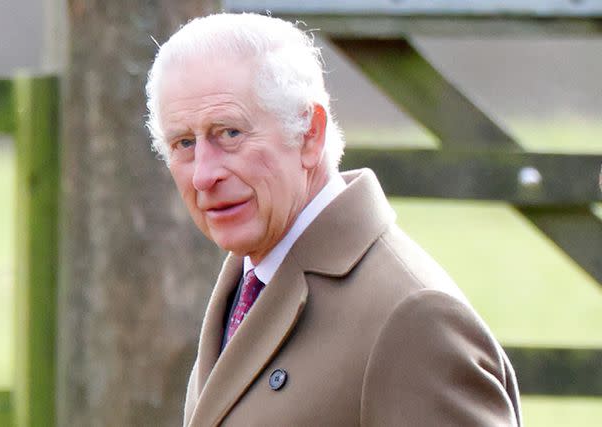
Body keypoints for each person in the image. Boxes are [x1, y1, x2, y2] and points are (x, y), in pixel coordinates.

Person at [145, 12, 522, 426]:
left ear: (310, 134)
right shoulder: (251, 274)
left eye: (230, 134)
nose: (203, 174)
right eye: (183, 143)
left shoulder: (414, 318)